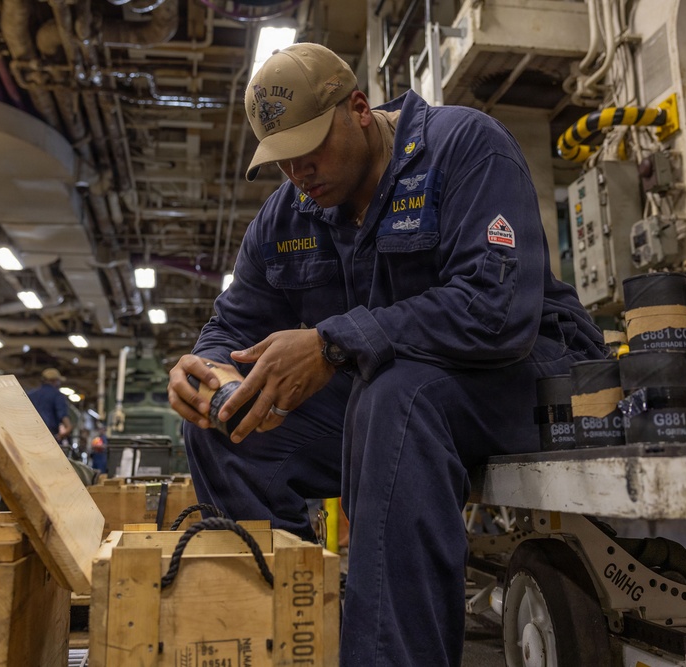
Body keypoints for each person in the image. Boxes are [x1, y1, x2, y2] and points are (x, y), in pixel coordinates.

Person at [167, 43, 607, 665]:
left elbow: (496, 312)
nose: (299, 173)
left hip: (530, 378)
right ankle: (289, 638)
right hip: (397, 398)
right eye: (283, 161)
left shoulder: (464, 147)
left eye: (311, 149)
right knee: (227, 427)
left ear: (358, 109)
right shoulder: (287, 215)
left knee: (397, 396)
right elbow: (230, 327)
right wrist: (202, 371)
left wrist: (331, 343)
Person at [27, 367, 73, 443]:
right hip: (49, 435)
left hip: (31, 435)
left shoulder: (30, 394)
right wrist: (66, 430)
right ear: (55, 381)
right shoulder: (58, 395)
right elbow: (64, 418)